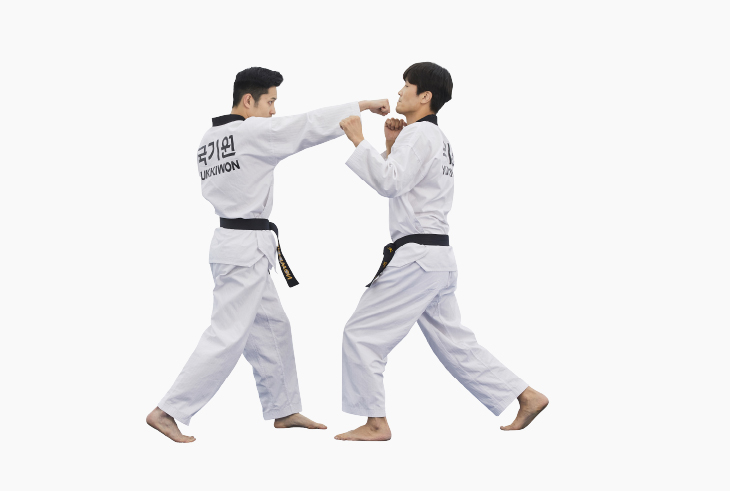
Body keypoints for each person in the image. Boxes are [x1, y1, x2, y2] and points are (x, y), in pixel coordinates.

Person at [147, 67, 390, 443]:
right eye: (271, 102)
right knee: (227, 335)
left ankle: (284, 409)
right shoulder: (251, 133)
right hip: (244, 248)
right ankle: (168, 411)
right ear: (249, 101)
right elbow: (307, 125)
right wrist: (362, 105)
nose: (274, 111)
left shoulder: (210, 138)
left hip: (238, 245)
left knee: (273, 327)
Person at [335, 62, 548, 441]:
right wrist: (390, 146)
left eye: (406, 85)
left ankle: (375, 423)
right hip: (433, 258)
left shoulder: (420, 135)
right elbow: (405, 182)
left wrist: (358, 139)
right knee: (455, 343)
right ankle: (526, 396)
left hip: (417, 258)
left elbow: (389, 183)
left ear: (425, 96)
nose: (399, 92)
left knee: (361, 334)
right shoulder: (434, 137)